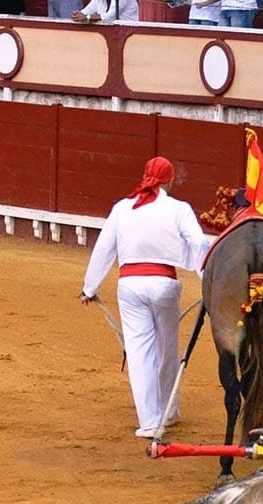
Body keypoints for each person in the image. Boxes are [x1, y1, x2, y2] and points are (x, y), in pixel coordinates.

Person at [80, 157, 209, 438]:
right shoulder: (178, 209)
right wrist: (207, 278)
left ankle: (150, 422)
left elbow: (104, 248)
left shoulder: (122, 208)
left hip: (130, 286)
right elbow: (198, 243)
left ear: (143, 176)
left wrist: (89, 287)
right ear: (170, 181)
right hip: (164, 283)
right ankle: (169, 410)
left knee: (140, 353)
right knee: (167, 349)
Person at [73, 0, 140, 21]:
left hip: (129, 36)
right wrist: (77, 15)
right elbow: (86, 11)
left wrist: (86, 17)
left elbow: (108, 17)